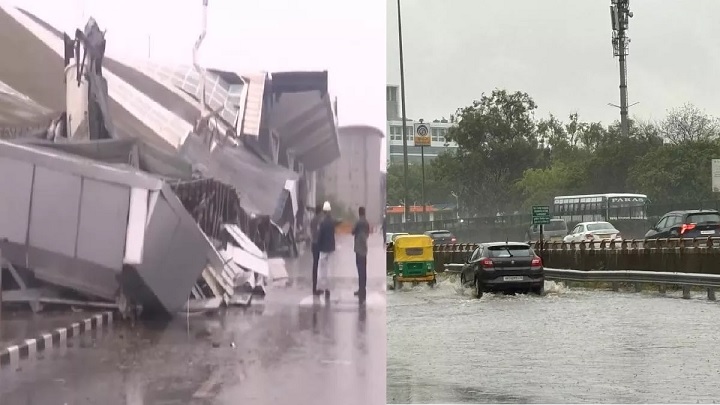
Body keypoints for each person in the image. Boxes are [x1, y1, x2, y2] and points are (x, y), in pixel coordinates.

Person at [316, 201, 337, 301]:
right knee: (329, 269)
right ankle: (328, 289)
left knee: (322, 269)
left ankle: (321, 288)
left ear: (324, 212)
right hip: (331, 248)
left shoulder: (322, 222)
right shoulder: (332, 222)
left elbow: (320, 236)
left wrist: (318, 245)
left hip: (323, 248)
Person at [352, 206, 370, 303]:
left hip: (358, 248)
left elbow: (353, 232)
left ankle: (360, 289)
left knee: (359, 269)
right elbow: (368, 233)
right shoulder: (366, 222)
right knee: (364, 269)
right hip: (364, 248)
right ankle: (364, 289)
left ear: (359, 213)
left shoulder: (358, 222)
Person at [309, 204, 323, 295]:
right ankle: (316, 288)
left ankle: (315, 287)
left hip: (313, 243)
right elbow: (319, 232)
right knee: (318, 266)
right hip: (318, 244)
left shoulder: (313, 220)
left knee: (315, 265)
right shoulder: (319, 220)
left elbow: (311, 231)